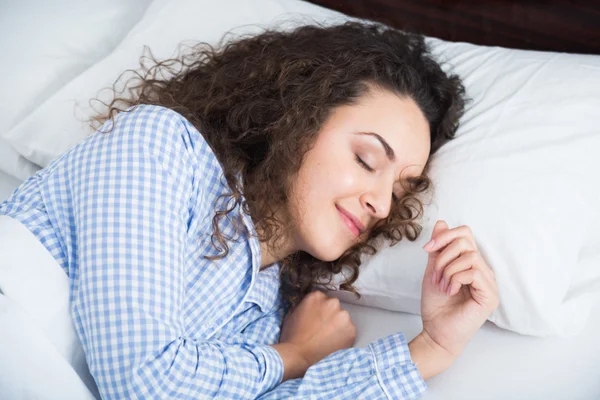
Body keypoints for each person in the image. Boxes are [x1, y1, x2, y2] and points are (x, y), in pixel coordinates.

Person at [0, 21, 498, 399]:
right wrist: (294, 357)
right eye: (367, 159)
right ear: (298, 117)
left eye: (401, 189)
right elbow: (141, 379)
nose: (382, 203)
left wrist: (432, 349)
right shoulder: (159, 147)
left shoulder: (270, 312)